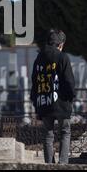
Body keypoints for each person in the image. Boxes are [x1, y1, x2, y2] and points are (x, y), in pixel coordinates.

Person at [30, 29, 75, 164]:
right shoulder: (63, 57)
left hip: (44, 102)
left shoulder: (38, 59)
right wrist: (71, 96)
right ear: (60, 44)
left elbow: (34, 81)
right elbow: (69, 81)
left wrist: (35, 101)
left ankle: (49, 165)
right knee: (65, 133)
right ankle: (63, 164)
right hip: (61, 102)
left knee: (48, 135)